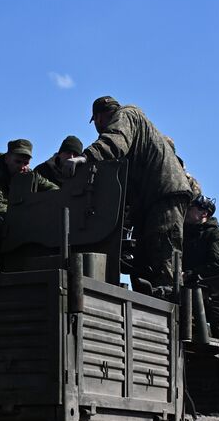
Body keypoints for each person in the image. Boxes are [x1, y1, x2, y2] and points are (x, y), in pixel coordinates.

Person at [82, 96, 192, 293]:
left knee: (164, 253)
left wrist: (86, 158)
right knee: (144, 258)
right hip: (152, 198)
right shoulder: (136, 124)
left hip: (163, 194)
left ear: (99, 118)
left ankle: (173, 309)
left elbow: (115, 140)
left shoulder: (126, 115)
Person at [183, 196, 219, 415]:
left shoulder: (218, 236)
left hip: (218, 303)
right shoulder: (188, 237)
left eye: (191, 209)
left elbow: (218, 266)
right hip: (194, 299)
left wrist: (189, 274)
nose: (187, 212)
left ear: (204, 213)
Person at [0, 139, 58, 215]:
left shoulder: (29, 174)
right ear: (7, 159)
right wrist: (28, 212)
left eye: (26, 163)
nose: (22, 167)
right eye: (18, 162)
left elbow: (54, 190)